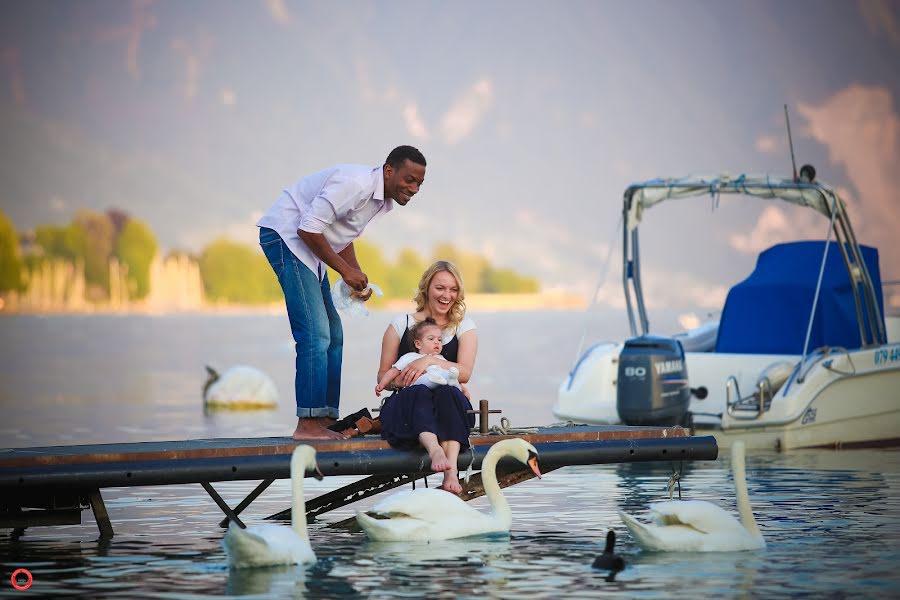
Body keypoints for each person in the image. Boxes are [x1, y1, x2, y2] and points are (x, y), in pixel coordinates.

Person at [257, 146, 427, 440]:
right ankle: (307, 426)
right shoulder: (356, 184)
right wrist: (344, 271)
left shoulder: (379, 200)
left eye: (419, 184)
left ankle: (324, 419)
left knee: (334, 335)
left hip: (306, 245)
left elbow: (340, 235)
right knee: (315, 334)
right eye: (409, 179)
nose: (413, 189)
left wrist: (355, 275)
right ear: (389, 171)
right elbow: (308, 229)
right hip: (286, 235)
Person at [377, 260, 478, 493]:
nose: (447, 295)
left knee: (447, 393)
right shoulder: (401, 324)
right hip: (409, 412)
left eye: (453, 289)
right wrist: (400, 379)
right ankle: (435, 451)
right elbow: (383, 374)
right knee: (420, 391)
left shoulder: (464, 326)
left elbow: (465, 372)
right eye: (440, 288)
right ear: (426, 288)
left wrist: (430, 360)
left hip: (448, 408)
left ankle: (450, 470)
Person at [375, 318, 461, 395]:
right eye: (431, 339)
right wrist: (382, 384)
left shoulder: (440, 359)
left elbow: (449, 373)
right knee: (423, 380)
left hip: (438, 393)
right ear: (418, 344)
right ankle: (433, 379)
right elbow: (394, 371)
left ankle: (444, 381)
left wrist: (463, 389)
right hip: (419, 390)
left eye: (439, 339)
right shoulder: (410, 357)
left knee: (449, 375)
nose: (437, 342)